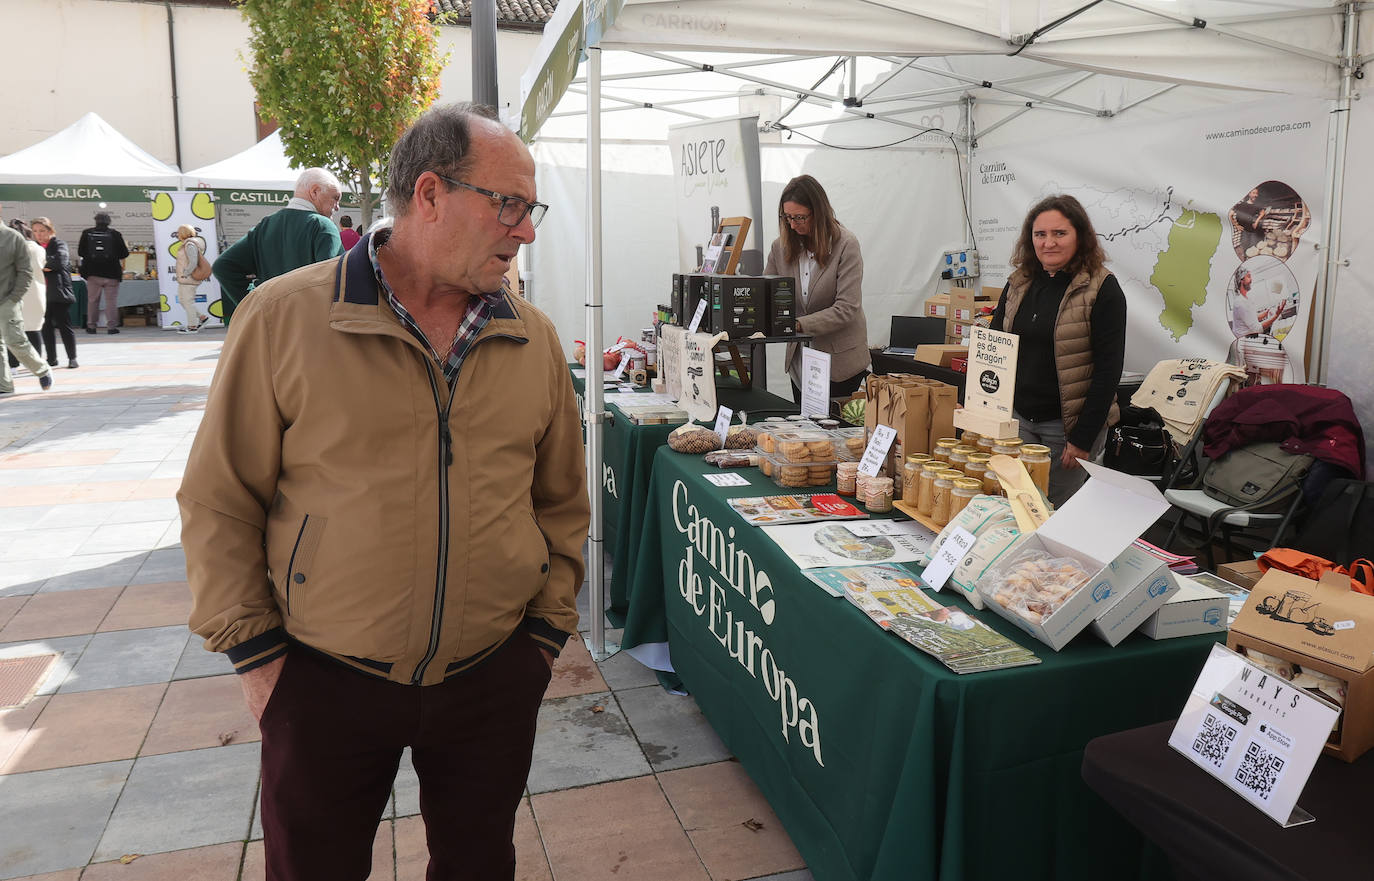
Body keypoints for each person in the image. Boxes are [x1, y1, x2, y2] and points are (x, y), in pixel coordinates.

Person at [179, 102, 587, 881]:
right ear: (429, 195)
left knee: (477, 866)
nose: (525, 230)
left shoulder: (531, 338)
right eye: (509, 205)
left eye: (529, 210)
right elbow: (218, 500)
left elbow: (561, 501)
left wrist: (541, 640)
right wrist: (261, 660)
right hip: (322, 677)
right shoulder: (283, 317)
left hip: (492, 675)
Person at [991, 194, 1126, 506]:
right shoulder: (1019, 283)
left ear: (1080, 236)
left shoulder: (1102, 288)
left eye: (1059, 233)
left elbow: (1109, 370)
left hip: (1066, 430)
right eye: (1040, 234)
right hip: (1019, 420)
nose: (1048, 243)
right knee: (1015, 505)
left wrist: (1082, 440)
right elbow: (995, 347)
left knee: (1053, 510)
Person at [764, 174, 870, 403]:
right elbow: (768, 294)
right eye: (787, 217)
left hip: (841, 363)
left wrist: (800, 324)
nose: (792, 225)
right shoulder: (779, 247)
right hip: (801, 363)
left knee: (838, 432)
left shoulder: (846, 245)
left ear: (819, 212)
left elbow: (847, 307)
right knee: (807, 433)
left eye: (800, 218)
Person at [211, 167, 345, 325]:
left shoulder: (266, 225)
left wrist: (254, 306)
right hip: (310, 329)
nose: (337, 207)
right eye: (335, 198)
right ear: (314, 191)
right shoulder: (323, 226)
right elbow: (334, 282)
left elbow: (222, 267)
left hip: (273, 329)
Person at [0, 214, 51, 394]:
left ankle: (42, 370)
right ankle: (4, 385)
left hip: (7, 299)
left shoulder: (12, 237)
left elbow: (25, 271)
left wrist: (14, 297)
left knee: (15, 341)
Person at [31, 217, 78, 369]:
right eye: (35, 231)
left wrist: (40, 264)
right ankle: (51, 358)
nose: (39, 234)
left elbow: (58, 262)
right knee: (45, 328)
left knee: (65, 326)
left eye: (42, 231)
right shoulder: (33, 246)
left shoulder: (59, 244)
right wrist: (45, 265)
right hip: (40, 293)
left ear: (50, 230)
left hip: (59, 293)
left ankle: (72, 357)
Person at [77, 211, 129, 334]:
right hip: (112, 273)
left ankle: (91, 326)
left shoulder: (86, 233)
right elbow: (124, 254)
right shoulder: (115, 234)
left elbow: (80, 252)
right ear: (109, 222)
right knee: (111, 301)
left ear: (95, 221)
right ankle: (111, 327)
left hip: (92, 273)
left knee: (92, 300)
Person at [7, 220, 46, 370]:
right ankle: (36, 365)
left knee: (12, 331)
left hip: (13, 293)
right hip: (36, 292)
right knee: (34, 329)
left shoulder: (9, 248)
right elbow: (42, 265)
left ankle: (13, 365)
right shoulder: (38, 249)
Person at [173, 225, 208, 333]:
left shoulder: (190, 245)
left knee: (188, 302)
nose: (177, 235)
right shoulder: (188, 244)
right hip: (185, 279)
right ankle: (202, 318)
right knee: (184, 301)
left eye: (179, 232)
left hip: (189, 278)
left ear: (183, 233)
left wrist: (185, 273)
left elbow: (193, 261)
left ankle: (192, 326)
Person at [1229, 268, 1277, 338]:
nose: (1251, 280)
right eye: (1248, 276)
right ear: (1241, 280)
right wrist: (1276, 315)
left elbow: (1253, 317)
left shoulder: (1246, 299)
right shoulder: (1240, 303)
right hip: (1244, 341)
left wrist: (1266, 312)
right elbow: (1257, 329)